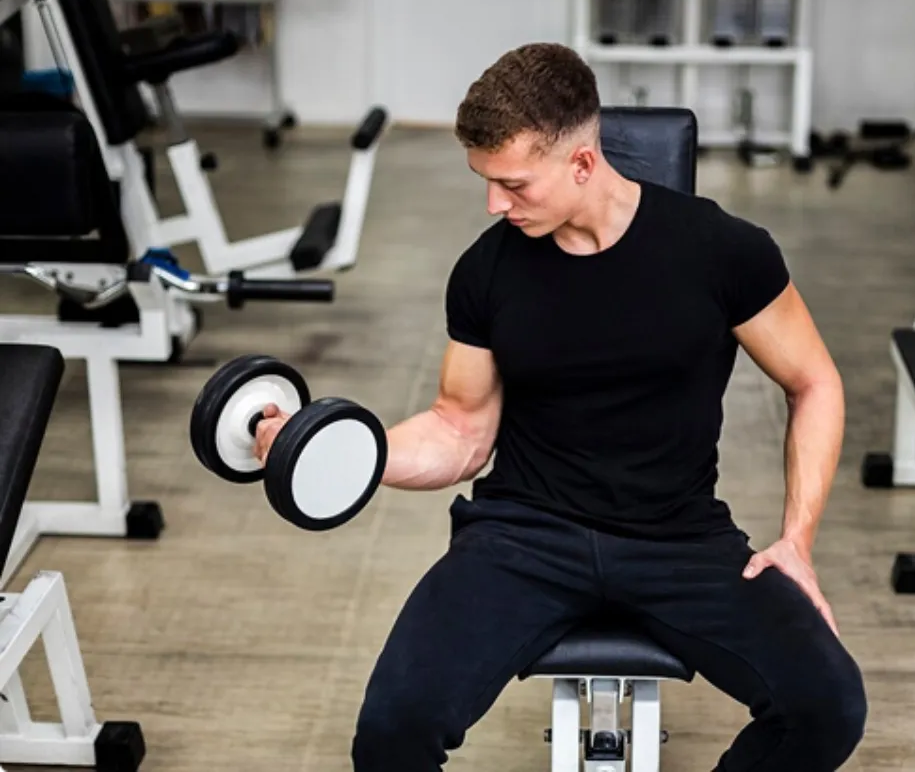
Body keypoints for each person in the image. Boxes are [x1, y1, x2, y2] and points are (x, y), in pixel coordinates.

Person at [255, 42, 866, 772]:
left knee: (827, 706)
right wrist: (335, 446)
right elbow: (460, 429)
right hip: (522, 538)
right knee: (392, 732)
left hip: (677, 539)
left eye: (513, 185)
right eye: (485, 183)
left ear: (581, 162)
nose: (493, 204)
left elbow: (814, 382)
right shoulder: (487, 272)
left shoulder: (720, 252)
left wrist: (796, 541)